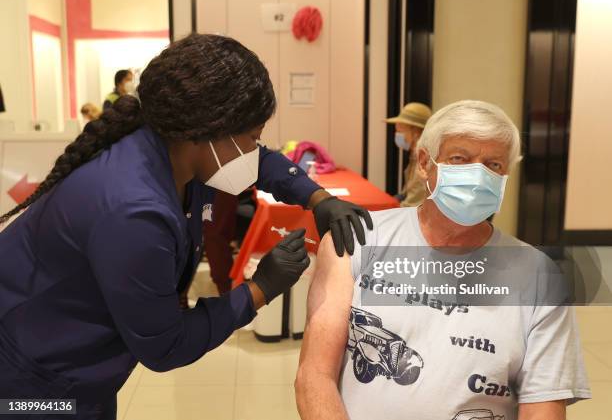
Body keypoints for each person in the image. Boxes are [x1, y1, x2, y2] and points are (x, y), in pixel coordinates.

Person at [0, 34, 372, 419]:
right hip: (29, 381)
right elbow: (166, 346)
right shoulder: (134, 213)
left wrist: (317, 198)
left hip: (75, 367)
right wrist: (259, 290)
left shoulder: (179, 150)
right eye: (251, 138)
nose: (254, 151)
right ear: (207, 132)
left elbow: (262, 162)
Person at [296, 100, 591, 420]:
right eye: (459, 159)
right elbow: (314, 376)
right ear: (425, 162)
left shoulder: (540, 277)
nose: (476, 176)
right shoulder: (360, 240)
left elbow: (543, 407)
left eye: (493, 165)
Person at [385, 102, 432, 207]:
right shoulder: (415, 155)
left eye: (400, 130)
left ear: (416, 131)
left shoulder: (424, 160)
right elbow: (406, 193)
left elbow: (412, 204)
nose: (397, 135)